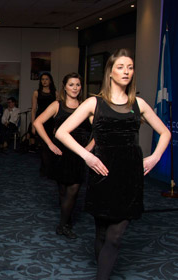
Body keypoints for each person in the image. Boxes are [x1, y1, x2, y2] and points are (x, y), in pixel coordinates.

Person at [56, 49, 170, 280]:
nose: (126, 71)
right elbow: (61, 132)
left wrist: (156, 156)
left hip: (130, 176)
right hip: (102, 174)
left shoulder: (138, 103)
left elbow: (165, 133)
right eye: (120, 67)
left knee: (115, 237)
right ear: (109, 72)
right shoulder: (93, 103)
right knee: (101, 233)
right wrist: (86, 156)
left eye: (129, 67)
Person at [33, 73, 92, 239]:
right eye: (71, 84)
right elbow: (37, 122)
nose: (74, 88)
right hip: (60, 152)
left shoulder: (86, 106)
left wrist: (88, 148)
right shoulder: (57, 105)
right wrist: (50, 144)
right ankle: (66, 220)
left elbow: (98, 129)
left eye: (78, 85)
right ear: (65, 86)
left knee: (74, 189)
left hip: (78, 152)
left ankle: (63, 225)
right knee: (63, 190)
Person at [31, 73, 57, 175]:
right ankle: (46, 169)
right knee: (43, 146)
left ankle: (46, 168)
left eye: (46, 79)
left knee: (50, 145)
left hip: (51, 122)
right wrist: (33, 124)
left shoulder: (56, 93)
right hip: (40, 122)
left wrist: (57, 125)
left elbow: (57, 111)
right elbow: (33, 109)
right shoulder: (36, 93)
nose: (44, 81)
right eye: (42, 79)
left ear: (50, 80)